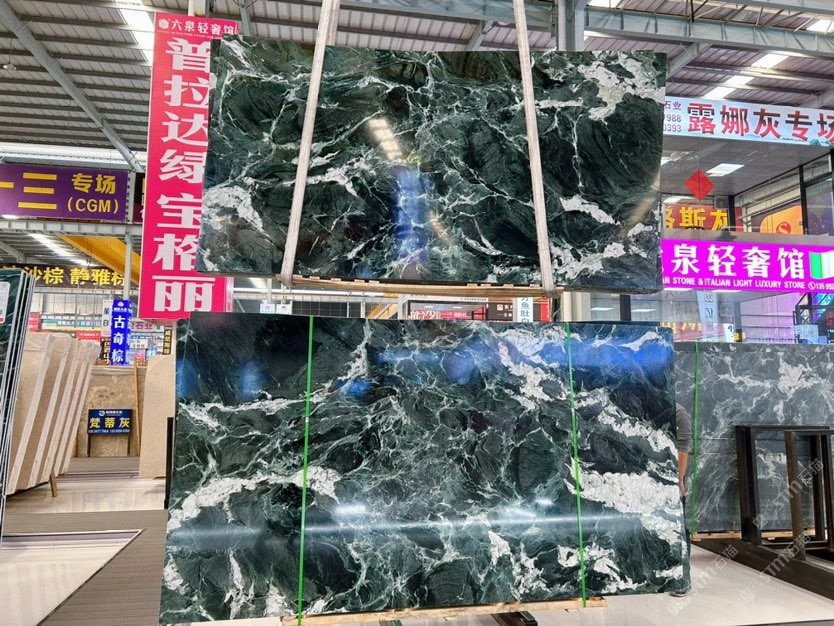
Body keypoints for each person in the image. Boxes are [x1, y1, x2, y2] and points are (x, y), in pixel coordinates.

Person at [671, 401, 693, 597]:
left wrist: (678, 480)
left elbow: (683, 448)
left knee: (679, 528)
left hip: (671, 478)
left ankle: (683, 579)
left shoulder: (679, 413)